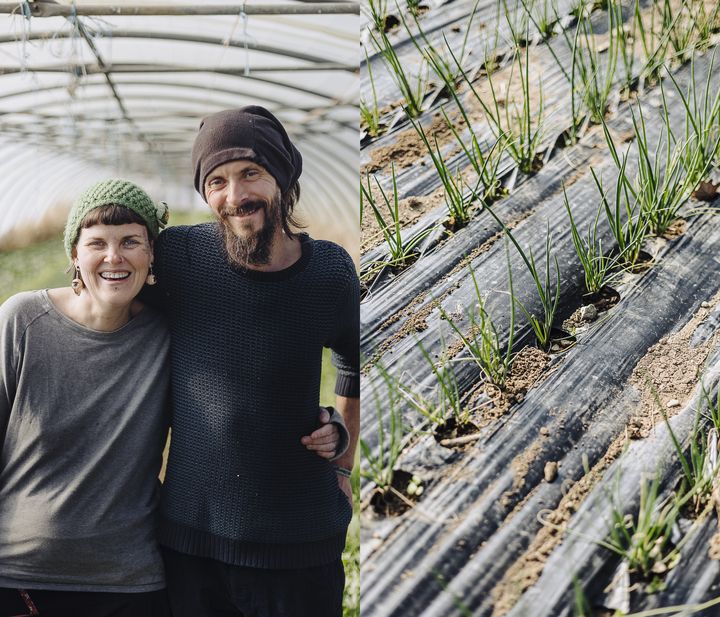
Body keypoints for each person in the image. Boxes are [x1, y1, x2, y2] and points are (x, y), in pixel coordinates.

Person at [147, 106, 360, 617]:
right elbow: (112, 297)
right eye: (216, 181)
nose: (235, 195)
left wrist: (345, 451)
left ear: (282, 179)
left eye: (250, 174)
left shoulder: (329, 272)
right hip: (191, 543)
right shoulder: (180, 257)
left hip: (298, 544)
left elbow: (354, 360)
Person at [0, 179, 172, 617]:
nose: (114, 257)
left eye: (131, 241)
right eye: (97, 243)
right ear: (75, 255)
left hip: (129, 586)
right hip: (21, 581)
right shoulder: (23, 322)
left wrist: (326, 424)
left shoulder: (167, 335)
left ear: (151, 253)